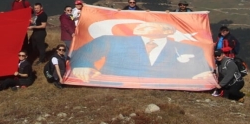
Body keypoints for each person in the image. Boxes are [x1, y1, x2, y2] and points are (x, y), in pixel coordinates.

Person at [72, 22, 213, 81]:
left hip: (164, 88)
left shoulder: (189, 49)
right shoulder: (110, 40)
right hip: (114, 86)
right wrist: (82, 65)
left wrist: (204, 74)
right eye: (142, 25)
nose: (143, 27)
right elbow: (82, 53)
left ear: (167, 31)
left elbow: (201, 71)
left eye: (150, 26)